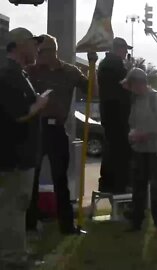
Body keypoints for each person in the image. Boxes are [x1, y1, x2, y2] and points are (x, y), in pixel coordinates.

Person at [25, 34, 94, 235]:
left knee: (60, 180)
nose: (38, 56)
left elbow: (92, 90)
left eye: (41, 52)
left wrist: (92, 65)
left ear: (52, 51)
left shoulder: (70, 72)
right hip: (36, 129)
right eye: (36, 52)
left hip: (57, 131)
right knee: (32, 178)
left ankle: (67, 226)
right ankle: (30, 224)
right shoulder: (31, 71)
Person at [0, 28, 47, 269]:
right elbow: (18, 114)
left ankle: (16, 254)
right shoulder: (9, 73)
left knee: (16, 207)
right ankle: (11, 259)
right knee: (12, 208)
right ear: (19, 44)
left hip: (19, 156)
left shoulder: (18, 73)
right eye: (34, 43)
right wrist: (39, 104)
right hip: (13, 158)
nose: (38, 48)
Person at [122, 68, 157, 231]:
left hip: (156, 149)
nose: (130, 89)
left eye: (131, 85)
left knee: (156, 185)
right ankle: (137, 221)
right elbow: (133, 124)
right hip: (139, 150)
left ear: (139, 83)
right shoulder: (136, 100)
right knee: (138, 186)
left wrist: (146, 135)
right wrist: (133, 135)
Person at [97, 37, 133, 194]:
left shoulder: (105, 64)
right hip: (118, 112)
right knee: (120, 152)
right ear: (119, 48)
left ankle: (107, 183)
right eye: (125, 49)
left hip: (109, 111)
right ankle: (118, 185)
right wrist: (130, 69)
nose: (126, 53)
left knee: (110, 148)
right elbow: (127, 85)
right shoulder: (115, 64)